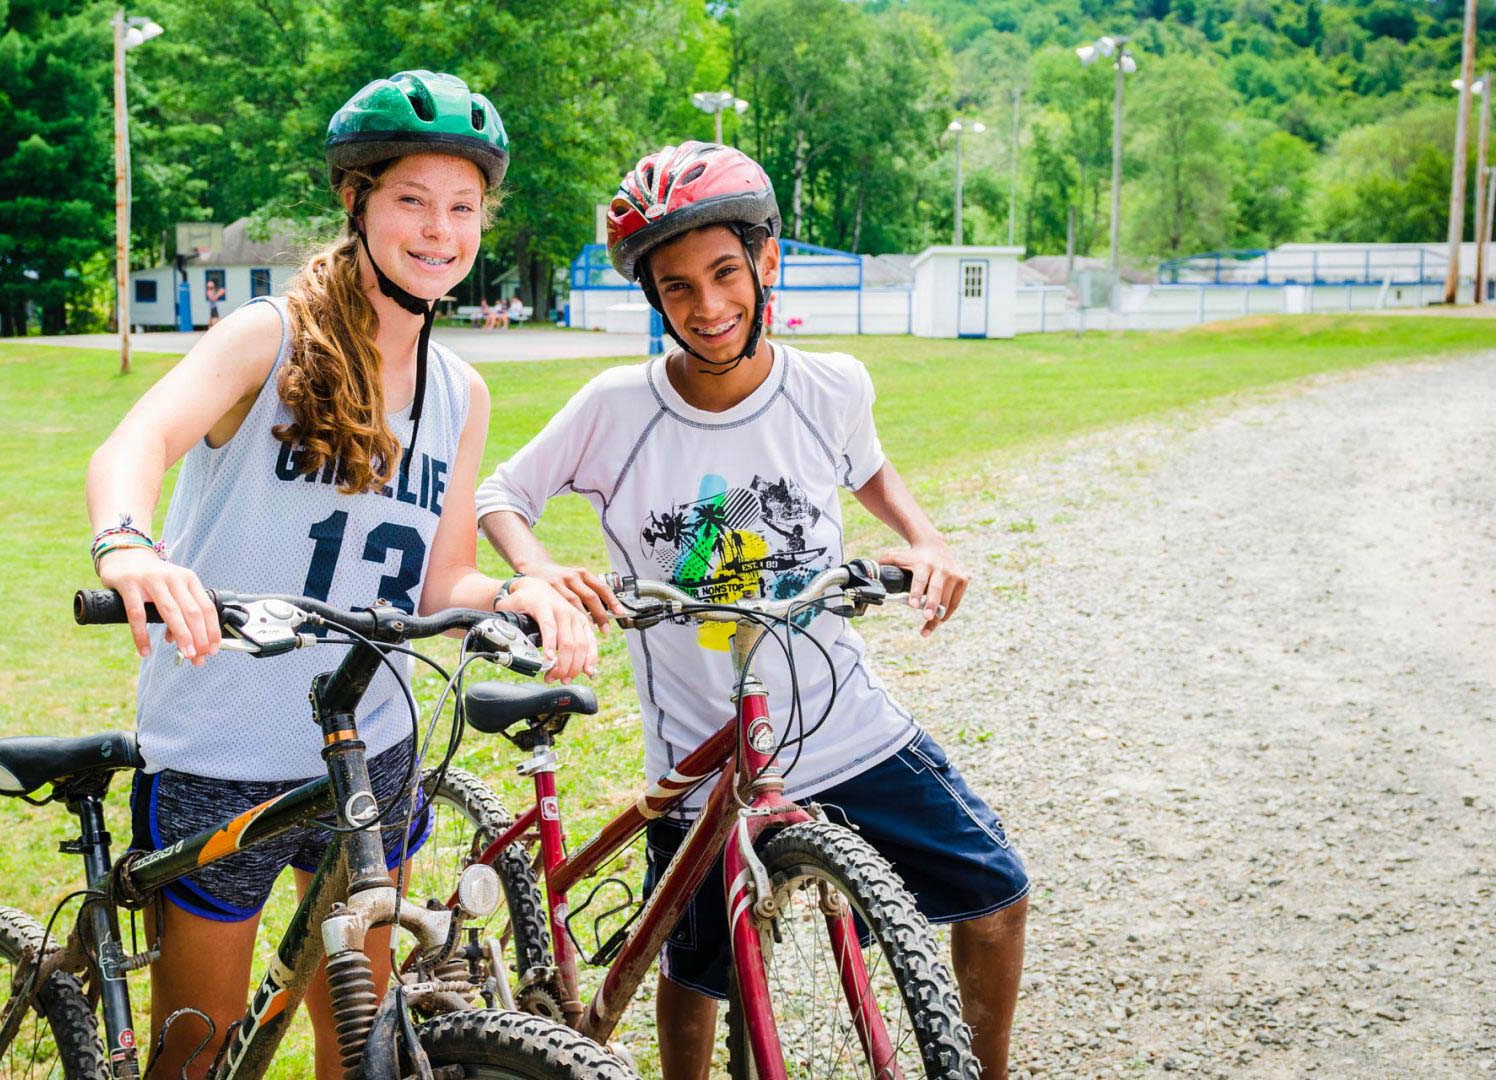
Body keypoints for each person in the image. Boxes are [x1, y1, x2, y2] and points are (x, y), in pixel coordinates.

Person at [475, 142, 1030, 1080]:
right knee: (694, 974)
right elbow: (501, 494)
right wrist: (539, 569)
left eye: (726, 273)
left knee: (997, 896)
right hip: (700, 753)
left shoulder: (832, 385)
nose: (708, 305)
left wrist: (924, 538)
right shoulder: (618, 407)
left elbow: (870, 469)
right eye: (677, 286)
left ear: (767, 262)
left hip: (843, 724)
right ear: (652, 298)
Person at [85, 71, 593, 1080]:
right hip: (222, 743)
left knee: (358, 1047)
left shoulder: (462, 389)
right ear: (358, 201)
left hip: (373, 749)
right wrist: (128, 547)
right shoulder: (265, 339)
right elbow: (132, 445)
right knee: (198, 1047)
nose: (440, 231)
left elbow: (442, 578)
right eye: (412, 200)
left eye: (463, 208)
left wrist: (516, 591)